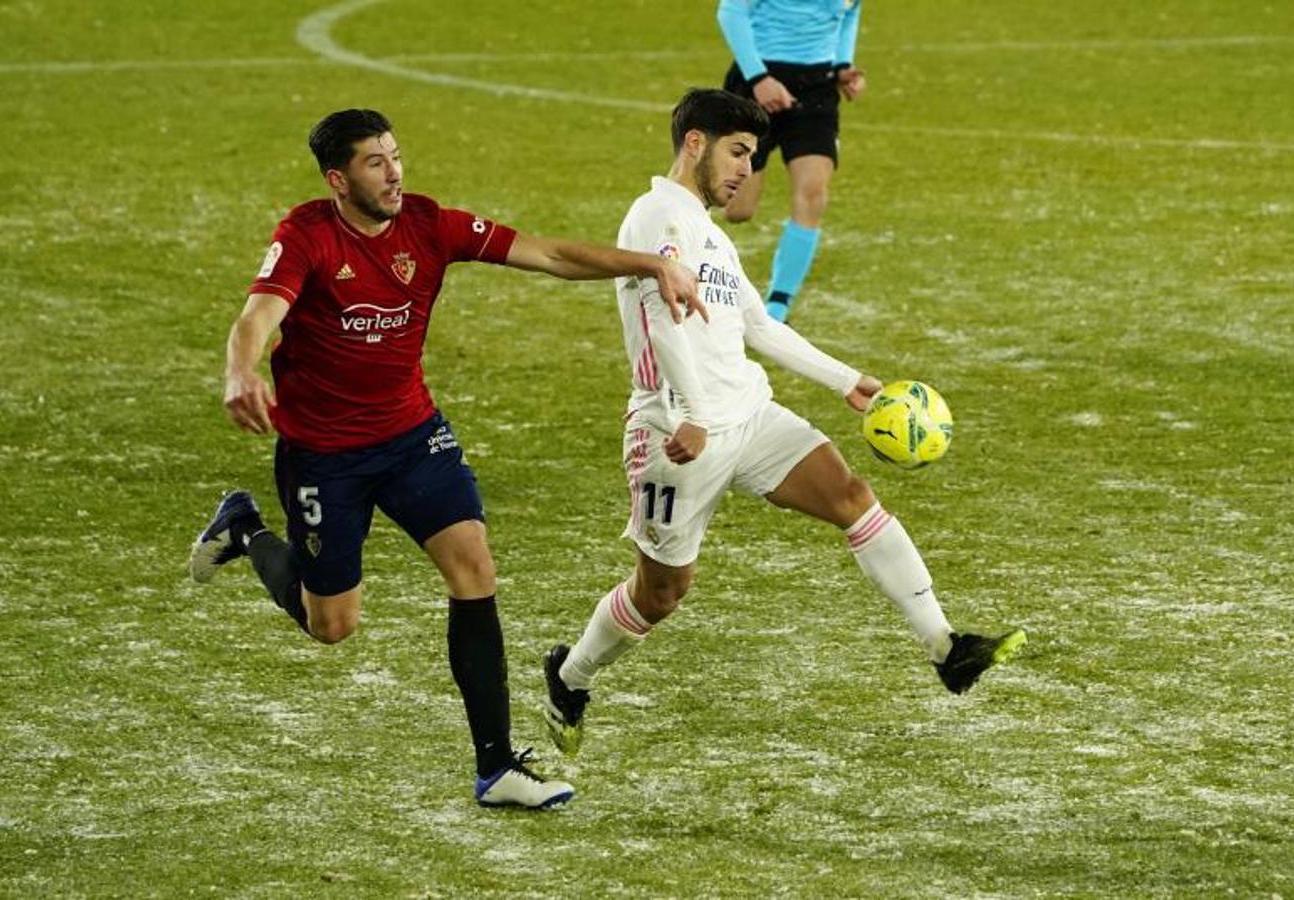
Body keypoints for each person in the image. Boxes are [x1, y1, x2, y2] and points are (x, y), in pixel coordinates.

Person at [187, 108, 706, 810]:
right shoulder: (306, 235)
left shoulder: (430, 226)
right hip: (325, 456)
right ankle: (245, 529)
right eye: (375, 162)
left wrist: (652, 264)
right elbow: (257, 317)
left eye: (396, 156)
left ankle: (496, 768)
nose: (394, 173)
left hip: (412, 438)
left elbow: (549, 255)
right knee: (331, 625)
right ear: (338, 179)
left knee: (473, 567)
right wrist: (239, 371)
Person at [541, 89, 1025, 758]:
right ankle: (570, 676)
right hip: (676, 436)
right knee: (661, 594)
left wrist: (846, 379)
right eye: (738, 152)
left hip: (747, 413)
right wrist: (695, 414)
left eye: (752, 156)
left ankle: (945, 647)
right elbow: (661, 319)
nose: (746, 170)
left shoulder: (712, 235)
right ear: (694, 144)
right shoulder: (658, 215)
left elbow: (758, 326)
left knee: (851, 496)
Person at [716, 0, 867, 323]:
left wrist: (843, 64)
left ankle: (776, 309)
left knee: (813, 191)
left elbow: (850, 10)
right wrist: (759, 78)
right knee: (737, 209)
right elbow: (731, 12)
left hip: (817, 90)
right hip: (756, 81)